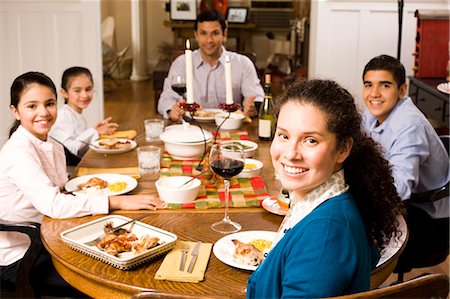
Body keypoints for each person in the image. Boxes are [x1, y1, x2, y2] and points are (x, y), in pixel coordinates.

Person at [0, 71, 163, 297]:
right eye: (32, 106)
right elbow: (54, 205)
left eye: (49, 104)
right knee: (111, 274)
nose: (43, 112)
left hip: (52, 234)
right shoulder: (17, 152)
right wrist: (117, 200)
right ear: (15, 111)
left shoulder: (53, 145)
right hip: (25, 253)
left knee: (132, 246)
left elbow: (64, 190)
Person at [246, 79, 405, 298]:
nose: (291, 153)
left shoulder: (326, 234)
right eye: (283, 135)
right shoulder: (324, 201)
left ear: (343, 149)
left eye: (310, 140)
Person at [361, 55, 449, 273]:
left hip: (428, 218)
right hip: (403, 202)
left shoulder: (409, 125)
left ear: (402, 90)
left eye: (385, 85)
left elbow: (397, 190)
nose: (374, 93)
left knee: (349, 231)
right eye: (368, 85)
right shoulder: (373, 111)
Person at [157, 9, 264, 122]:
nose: (209, 40)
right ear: (196, 35)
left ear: (224, 34)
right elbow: (166, 99)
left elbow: (257, 97)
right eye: (203, 33)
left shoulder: (243, 63)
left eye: (215, 33)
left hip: (230, 125)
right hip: (192, 126)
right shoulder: (181, 63)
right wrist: (171, 110)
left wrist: (253, 107)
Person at [49, 66, 119, 166]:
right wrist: (95, 131)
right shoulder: (63, 116)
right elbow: (72, 150)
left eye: (88, 89)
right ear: (64, 93)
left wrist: (96, 130)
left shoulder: (76, 114)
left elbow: (81, 144)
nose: (85, 95)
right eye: (77, 90)